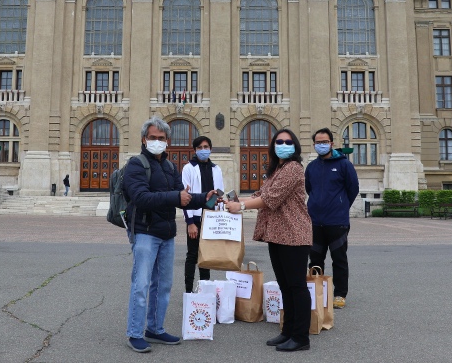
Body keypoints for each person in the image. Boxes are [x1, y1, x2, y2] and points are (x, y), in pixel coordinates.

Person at [123, 117, 216, 353]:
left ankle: (155, 328)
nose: (157, 141)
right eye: (153, 138)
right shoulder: (136, 164)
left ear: (168, 141)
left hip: (166, 233)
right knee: (141, 284)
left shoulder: (169, 166)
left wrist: (204, 198)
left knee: (163, 285)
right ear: (144, 139)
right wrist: (177, 197)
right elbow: (141, 198)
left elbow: (181, 195)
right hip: (144, 232)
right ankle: (135, 333)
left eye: (161, 139)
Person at [226, 128, 312, 352]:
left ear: (295, 146)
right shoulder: (277, 169)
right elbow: (260, 194)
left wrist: (241, 207)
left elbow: (271, 198)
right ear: (273, 146)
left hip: (294, 234)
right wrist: (234, 201)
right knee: (285, 286)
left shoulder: (293, 168)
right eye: (279, 141)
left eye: (288, 141)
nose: (283, 144)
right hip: (277, 234)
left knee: (297, 286)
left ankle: (301, 337)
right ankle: (288, 331)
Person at [305, 128, 359, 310]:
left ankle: (340, 294)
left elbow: (353, 189)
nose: (321, 145)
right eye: (318, 142)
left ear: (331, 143)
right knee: (315, 260)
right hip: (315, 222)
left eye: (324, 142)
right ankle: (316, 292)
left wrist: (341, 206)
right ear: (314, 145)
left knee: (339, 259)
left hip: (337, 222)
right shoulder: (312, 167)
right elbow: (309, 189)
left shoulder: (344, 165)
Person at [181, 135, 224, 293]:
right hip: (195, 218)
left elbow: (219, 193)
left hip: (211, 218)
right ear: (195, 150)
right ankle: (188, 290)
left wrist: (215, 209)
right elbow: (185, 196)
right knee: (192, 255)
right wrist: (190, 222)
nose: (203, 150)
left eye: (206, 147)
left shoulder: (216, 169)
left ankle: (204, 289)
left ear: (210, 149)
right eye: (200, 148)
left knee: (206, 255)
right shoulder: (188, 168)